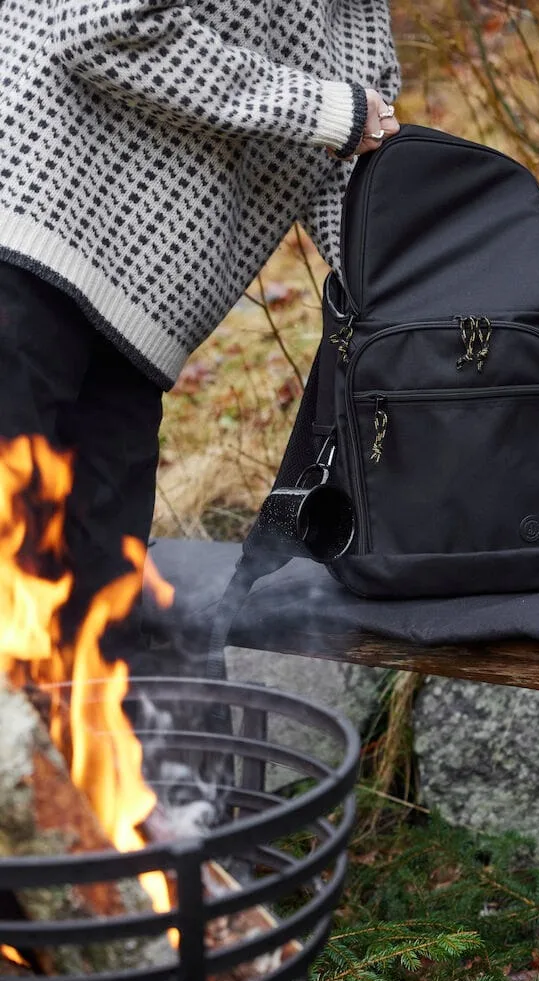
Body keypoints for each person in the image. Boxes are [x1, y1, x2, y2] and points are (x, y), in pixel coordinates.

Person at [0, 1, 401, 640]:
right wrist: (319, 110)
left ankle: (84, 741)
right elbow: (101, 25)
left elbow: (343, 168)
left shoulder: (358, 19)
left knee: (102, 612)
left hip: (136, 325)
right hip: (24, 244)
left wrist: (413, 302)